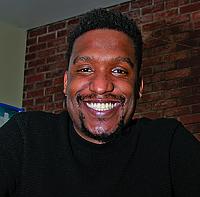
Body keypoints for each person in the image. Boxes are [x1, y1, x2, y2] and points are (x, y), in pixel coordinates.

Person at [0, 8, 200, 197]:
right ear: (66, 82)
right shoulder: (25, 137)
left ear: (139, 86)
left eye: (119, 70)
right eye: (85, 69)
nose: (101, 86)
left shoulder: (168, 143)